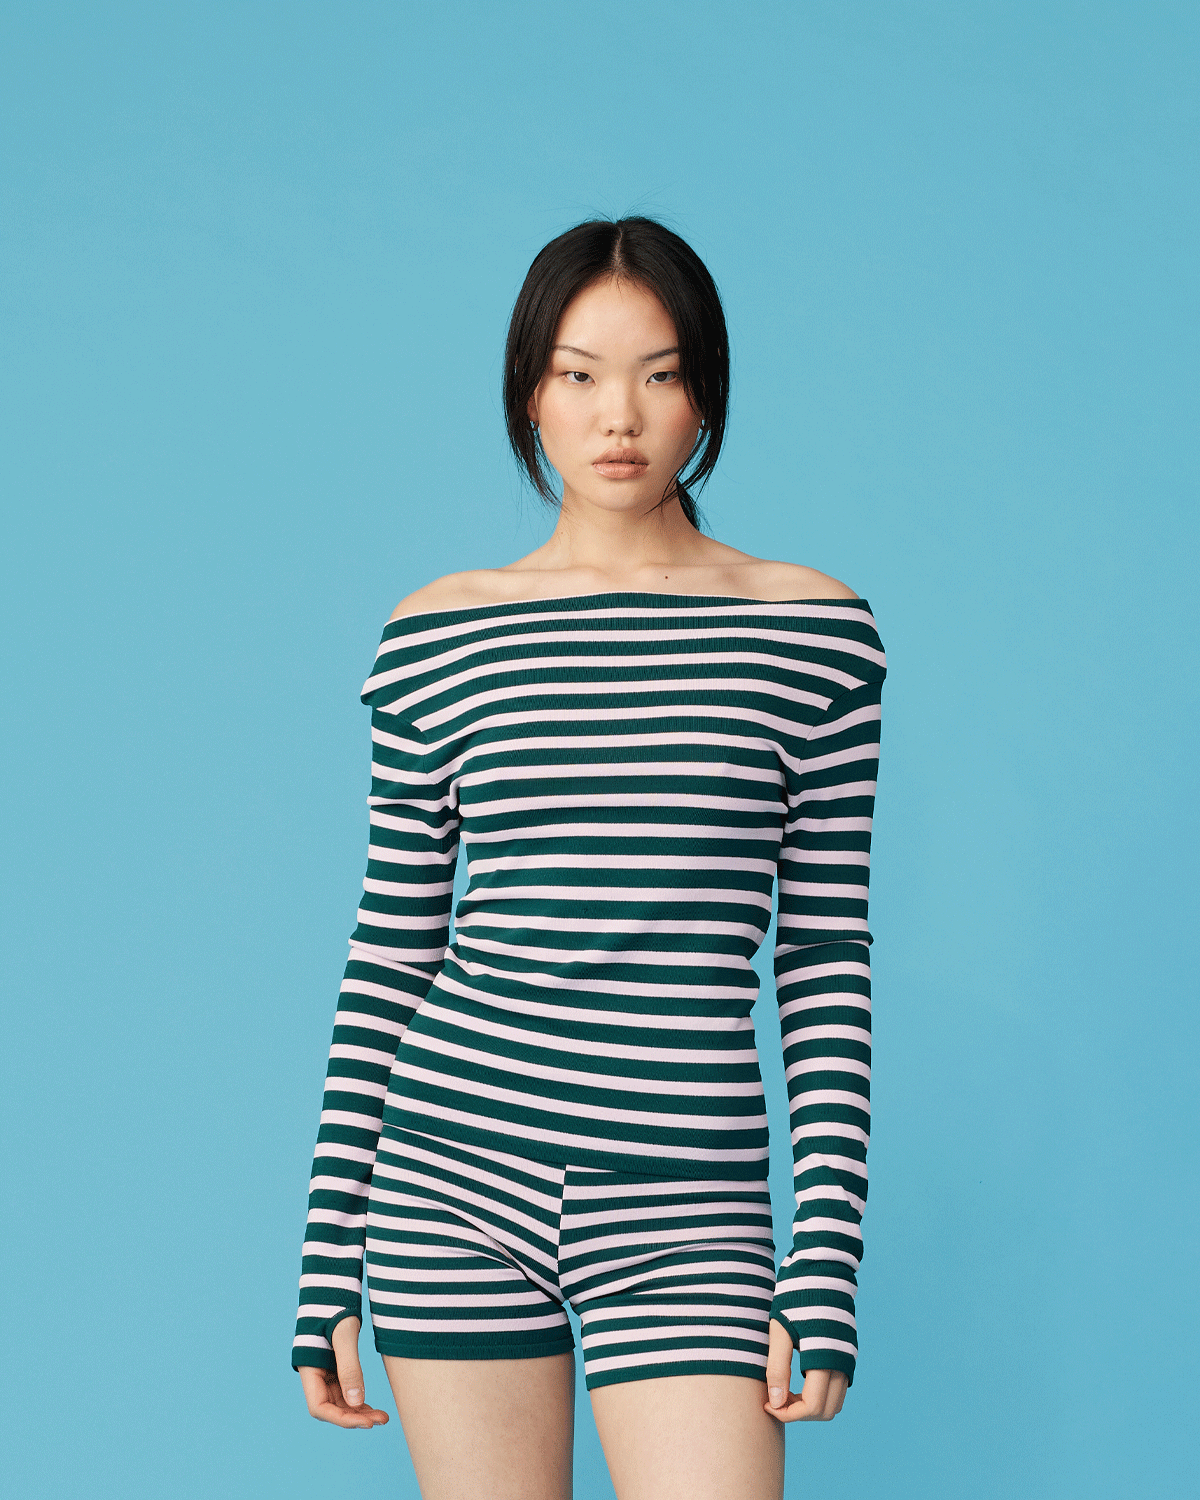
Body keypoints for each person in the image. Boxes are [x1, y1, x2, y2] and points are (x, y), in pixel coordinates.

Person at [292, 215, 886, 1500]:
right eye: (579, 374)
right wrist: (326, 1254)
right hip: (450, 1182)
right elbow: (391, 949)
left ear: (705, 393)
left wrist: (823, 1259)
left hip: (689, 1207)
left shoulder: (813, 633)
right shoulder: (437, 634)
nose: (620, 415)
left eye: (661, 374)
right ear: (531, 393)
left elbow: (825, 958)